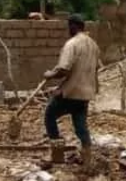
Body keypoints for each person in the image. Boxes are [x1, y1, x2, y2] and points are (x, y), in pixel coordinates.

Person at [43, 14, 100, 167]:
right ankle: (88, 158)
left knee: (49, 115)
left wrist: (50, 75)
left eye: (69, 26)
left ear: (73, 26)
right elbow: (96, 68)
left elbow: (63, 69)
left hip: (71, 92)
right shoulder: (93, 45)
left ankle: (57, 153)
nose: (68, 29)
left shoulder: (72, 44)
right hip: (86, 93)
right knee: (80, 124)